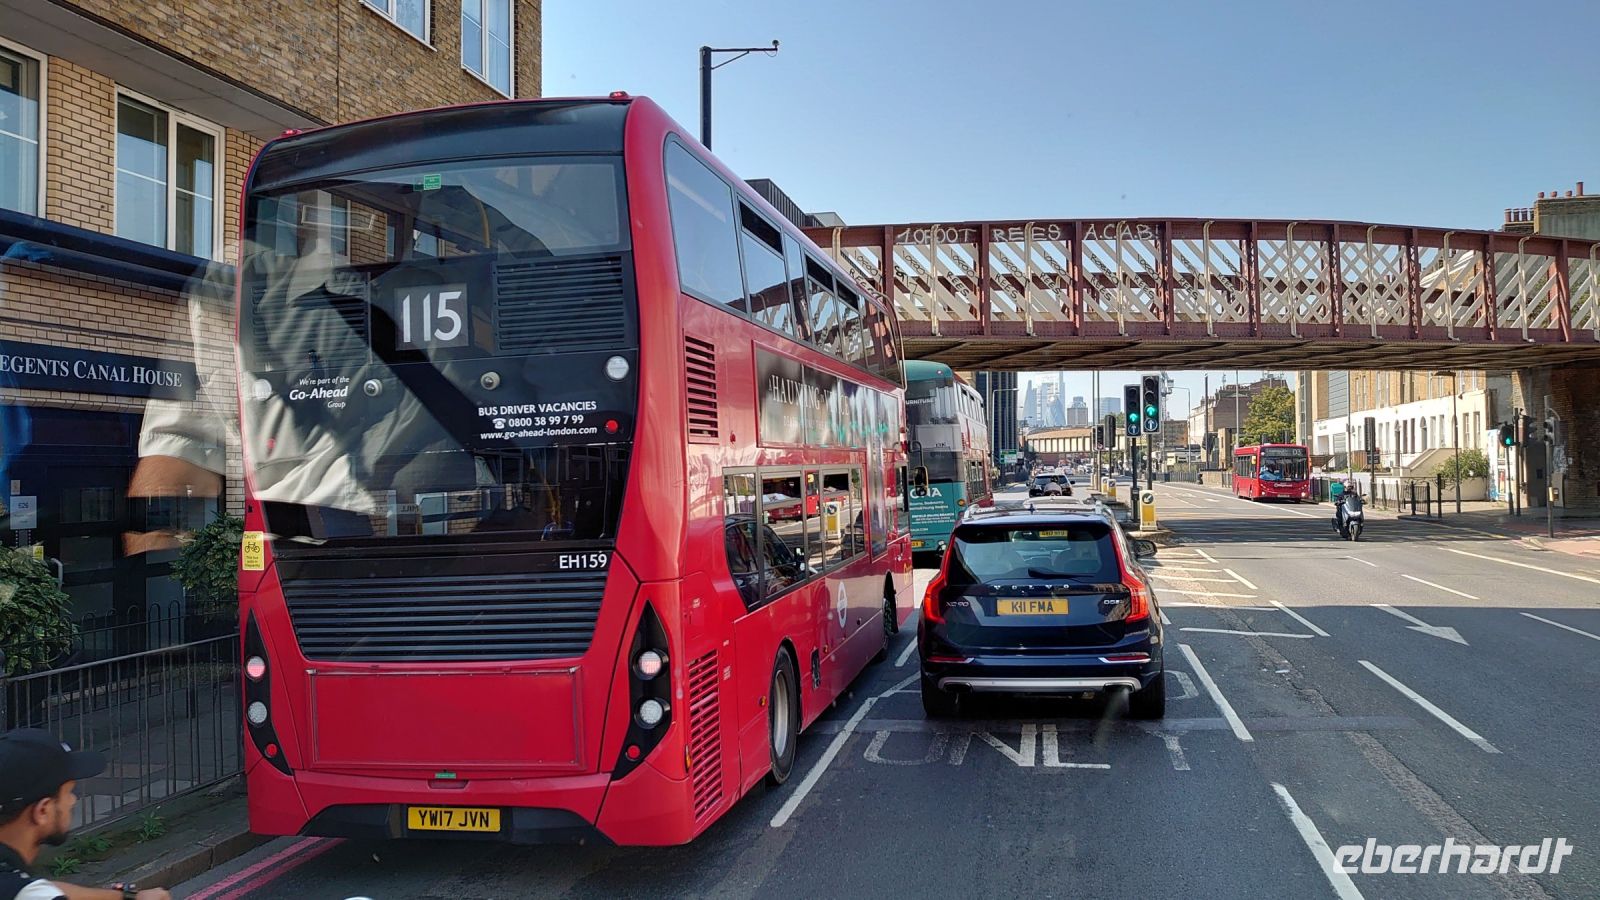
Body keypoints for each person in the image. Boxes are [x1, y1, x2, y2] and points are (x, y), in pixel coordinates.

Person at [0, 730, 170, 900]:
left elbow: (40, 888)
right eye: (68, 792)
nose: (73, 800)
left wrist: (127, 897)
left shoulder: (15, 883)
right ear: (43, 810)